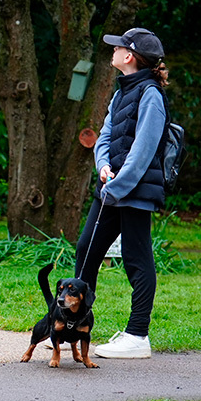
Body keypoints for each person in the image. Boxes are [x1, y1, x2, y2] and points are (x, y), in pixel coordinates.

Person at [76, 27, 170, 359]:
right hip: (112, 189)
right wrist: (102, 167)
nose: (112, 52)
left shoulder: (151, 96)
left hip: (134, 191)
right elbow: (104, 137)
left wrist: (115, 186)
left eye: (117, 48)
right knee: (87, 247)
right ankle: (76, 324)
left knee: (136, 258)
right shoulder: (121, 93)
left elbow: (143, 152)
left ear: (129, 56)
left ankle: (137, 336)